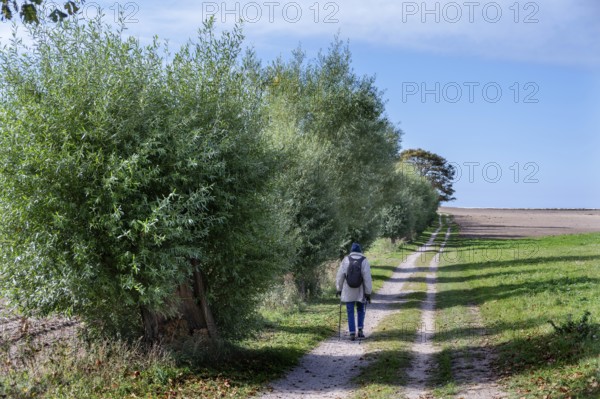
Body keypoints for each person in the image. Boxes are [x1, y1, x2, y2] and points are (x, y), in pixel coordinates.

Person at [336, 242, 373, 341]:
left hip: (348, 290)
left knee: (350, 311)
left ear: (351, 251)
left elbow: (340, 276)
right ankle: (360, 330)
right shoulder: (364, 260)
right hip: (360, 290)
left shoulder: (346, 260)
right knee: (360, 309)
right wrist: (368, 292)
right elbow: (367, 278)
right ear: (360, 251)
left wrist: (339, 289)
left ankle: (352, 333)